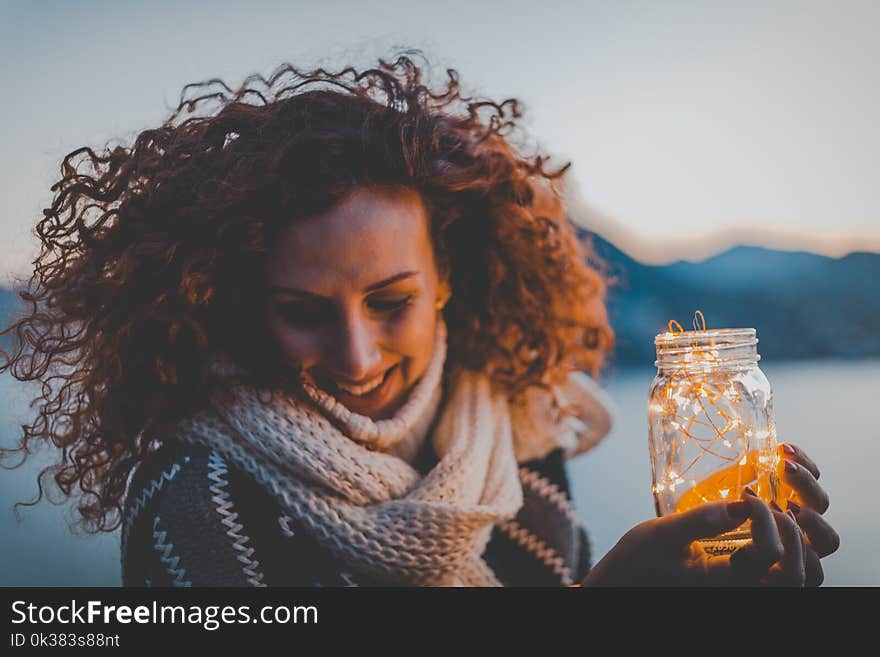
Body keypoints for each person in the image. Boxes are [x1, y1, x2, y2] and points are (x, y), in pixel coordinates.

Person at [0, 53, 838, 587]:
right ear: (241, 303)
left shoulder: (521, 428)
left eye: (391, 301)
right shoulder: (193, 503)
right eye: (301, 312)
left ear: (448, 279)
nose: (357, 354)